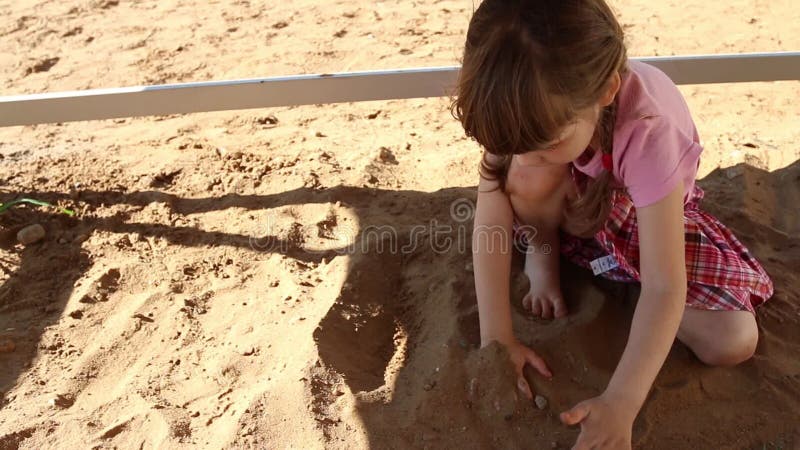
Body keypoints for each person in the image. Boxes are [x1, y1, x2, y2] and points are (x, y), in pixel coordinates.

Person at [450, 0, 774, 448]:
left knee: (732, 342)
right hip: (576, 203)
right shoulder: (525, 102)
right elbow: (492, 206)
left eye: (545, 142)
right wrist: (497, 338)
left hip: (644, 215)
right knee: (526, 175)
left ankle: (622, 278)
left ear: (605, 92)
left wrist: (621, 402)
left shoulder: (647, 129)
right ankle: (544, 254)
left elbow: (665, 286)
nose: (522, 157)